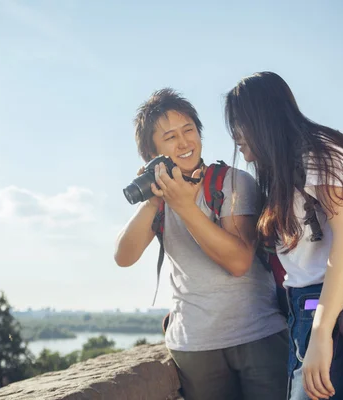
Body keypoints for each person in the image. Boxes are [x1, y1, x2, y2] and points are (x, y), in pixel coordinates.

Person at [224, 72, 343, 400]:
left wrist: (321, 331)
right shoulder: (288, 165)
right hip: (322, 305)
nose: (235, 134)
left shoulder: (316, 154)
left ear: (263, 117)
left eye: (239, 121)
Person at [114, 88, 289, 400]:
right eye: (170, 137)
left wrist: (184, 206)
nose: (184, 143)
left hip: (257, 335)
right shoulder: (160, 201)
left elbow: (238, 262)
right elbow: (123, 257)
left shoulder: (232, 182)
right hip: (194, 346)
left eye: (189, 130)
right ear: (151, 154)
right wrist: (155, 200)